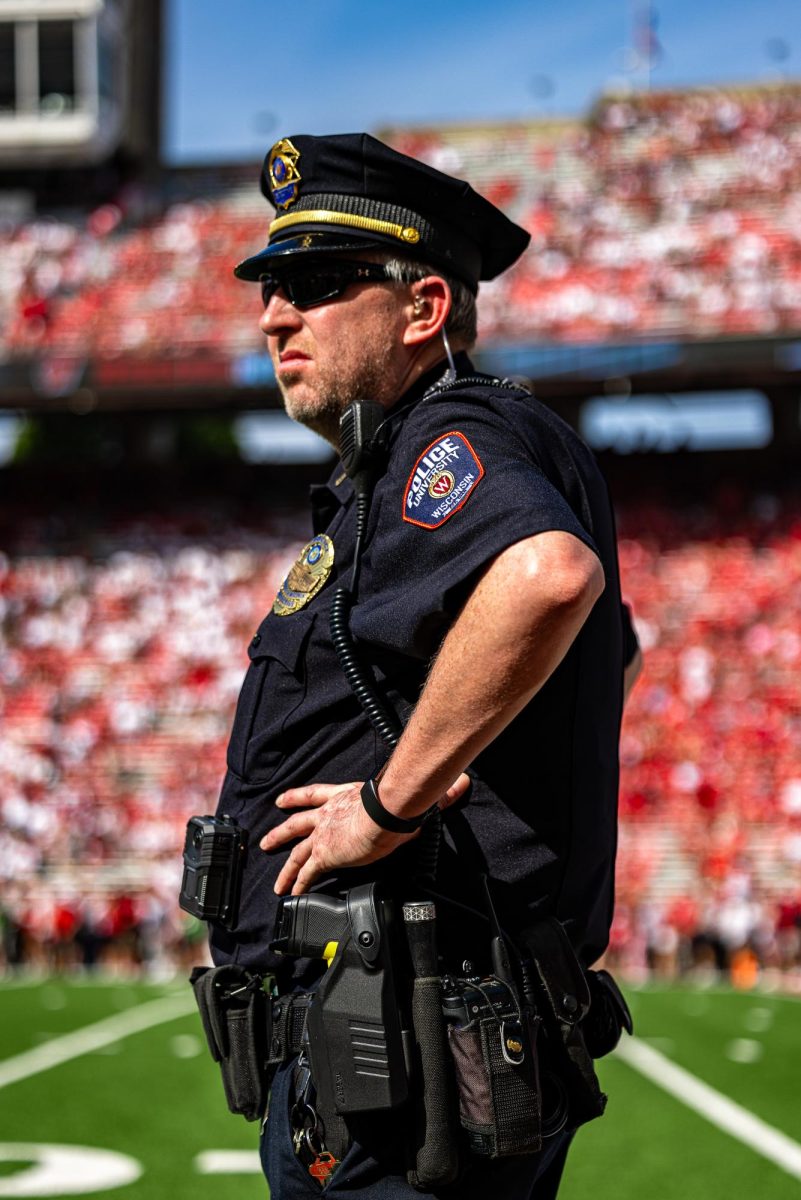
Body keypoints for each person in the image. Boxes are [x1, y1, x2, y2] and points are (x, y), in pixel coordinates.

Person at [209, 132, 641, 1199]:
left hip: (407, 1066)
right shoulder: (390, 467)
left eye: (312, 285)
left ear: (425, 308)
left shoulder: (451, 432)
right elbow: (611, 664)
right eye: (271, 289)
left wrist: (388, 801)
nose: (274, 316)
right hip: (376, 1056)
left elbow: (548, 577)